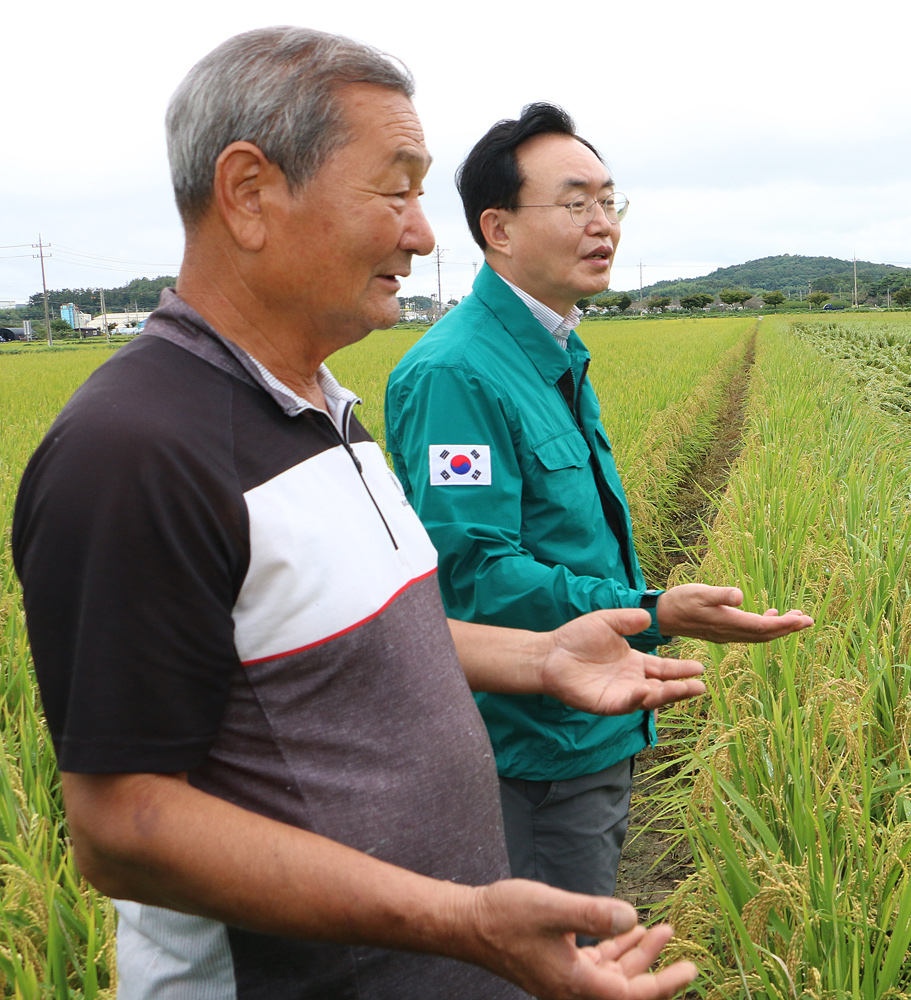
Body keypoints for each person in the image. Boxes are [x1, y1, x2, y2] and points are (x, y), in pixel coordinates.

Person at [10, 27, 702, 1000]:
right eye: (396, 190)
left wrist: (539, 658)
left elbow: (372, 639)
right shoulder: (137, 451)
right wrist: (459, 918)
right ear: (250, 193)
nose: (423, 236)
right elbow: (125, 829)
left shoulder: (325, 415)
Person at [384, 105, 813, 903]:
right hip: (533, 751)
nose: (602, 224)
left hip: (589, 729)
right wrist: (652, 610)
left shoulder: (553, 348)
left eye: (610, 201)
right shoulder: (458, 374)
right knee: (557, 959)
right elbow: (476, 575)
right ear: (498, 229)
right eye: (575, 202)